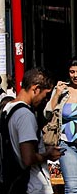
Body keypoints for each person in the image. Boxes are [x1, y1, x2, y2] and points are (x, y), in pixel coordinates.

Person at [4, 67, 62, 194]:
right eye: (46, 94)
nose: (45, 99)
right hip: (32, 186)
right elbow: (28, 158)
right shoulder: (25, 115)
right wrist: (48, 155)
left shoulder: (8, 108)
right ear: (36, 89)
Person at [46, 57, 77, 194]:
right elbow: (47, 113)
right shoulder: (62, 90)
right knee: (72, 186)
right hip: (66, 143)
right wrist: (57, 94)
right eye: (72, 72)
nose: (75, 75)